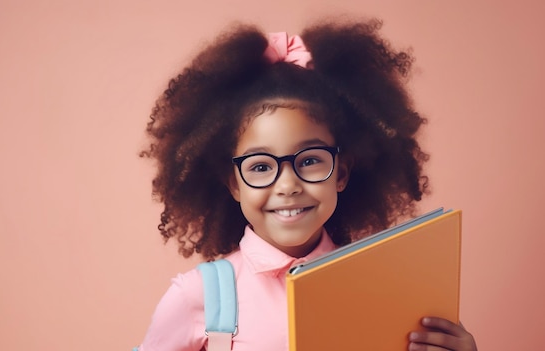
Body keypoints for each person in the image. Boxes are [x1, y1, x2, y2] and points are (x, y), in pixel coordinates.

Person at [135, 18, 478, 351]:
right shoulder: (199, 297)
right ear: (234, 184)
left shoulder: (383, 285)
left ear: (341, 173)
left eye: (310, 160)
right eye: (259, 166)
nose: (287, 185)